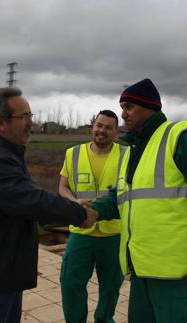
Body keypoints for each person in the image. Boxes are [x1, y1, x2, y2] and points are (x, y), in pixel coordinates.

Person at [0, 86, 98, 323]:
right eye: (24, 117)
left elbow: (27, 196)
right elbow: (33, 201)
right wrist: (78, 213)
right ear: (1, 123)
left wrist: (72, 204)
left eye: (31, 116)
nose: (31, 123)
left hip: (0, 269)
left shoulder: (4, 152)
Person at [91, 78, 187, 323]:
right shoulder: (132, 150)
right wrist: (92, 210)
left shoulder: (179, 136)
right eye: (122, 107)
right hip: (141, 269)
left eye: (129, 107)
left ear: (150, 107)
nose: (123, 114)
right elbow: (121, 197)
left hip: (175, 274)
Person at [58, 110, 126, 323]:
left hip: (113, 232)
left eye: (108, 127)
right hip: (81, 231)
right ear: (92, 127)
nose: (102, 130)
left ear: (116, 132)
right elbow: (63, 187)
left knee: (111, 286)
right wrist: (73, 201)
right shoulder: (73, 153)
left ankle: (104, 319)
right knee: (70, 282)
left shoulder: (128, 155)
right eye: (99, 125)